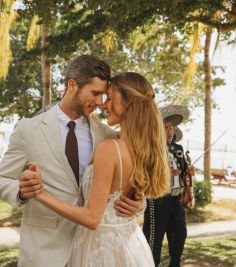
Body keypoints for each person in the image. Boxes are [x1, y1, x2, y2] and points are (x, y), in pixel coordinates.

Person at [0, 55, 145, 267]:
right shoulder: (28, 129)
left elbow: (123, 182)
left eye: (104, 95)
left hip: (92, 251)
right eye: (95, 93)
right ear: (72, 85)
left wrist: (139, 203)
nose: (100, 102)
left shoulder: (107, 135)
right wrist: (21, 191)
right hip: (44, 253)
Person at [32, 72, 170, 266]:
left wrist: (39, 193)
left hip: (99, 249)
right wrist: (139, 205)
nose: (103, 104)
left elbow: (91, 218)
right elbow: (128, 196)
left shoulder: (109, 148)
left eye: (110, 98)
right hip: (131, 246)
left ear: (128, 100)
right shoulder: (145, 149)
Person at [143, 104, 193, 267]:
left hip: (176, 199)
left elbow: (183, 172)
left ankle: (175, 264)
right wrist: (165, 174)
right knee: (154, 239)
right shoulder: (151, 149)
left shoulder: (178, 149)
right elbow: (144, 173)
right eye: (165, 128)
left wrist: (189, 171)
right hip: (157, 199)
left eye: (171, 128)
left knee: (180, 233)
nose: (169, 131)